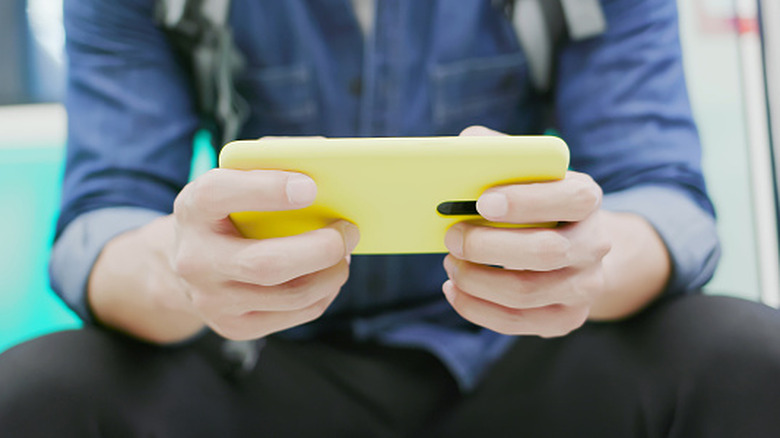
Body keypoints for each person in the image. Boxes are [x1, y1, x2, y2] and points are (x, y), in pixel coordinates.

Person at [2, 0, 780, 436]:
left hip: (524, 364)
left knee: (746, 356)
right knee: (37, 395)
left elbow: (663, 196)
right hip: (263, 374)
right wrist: (184, 274)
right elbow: (103, 219)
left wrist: (587, 261)